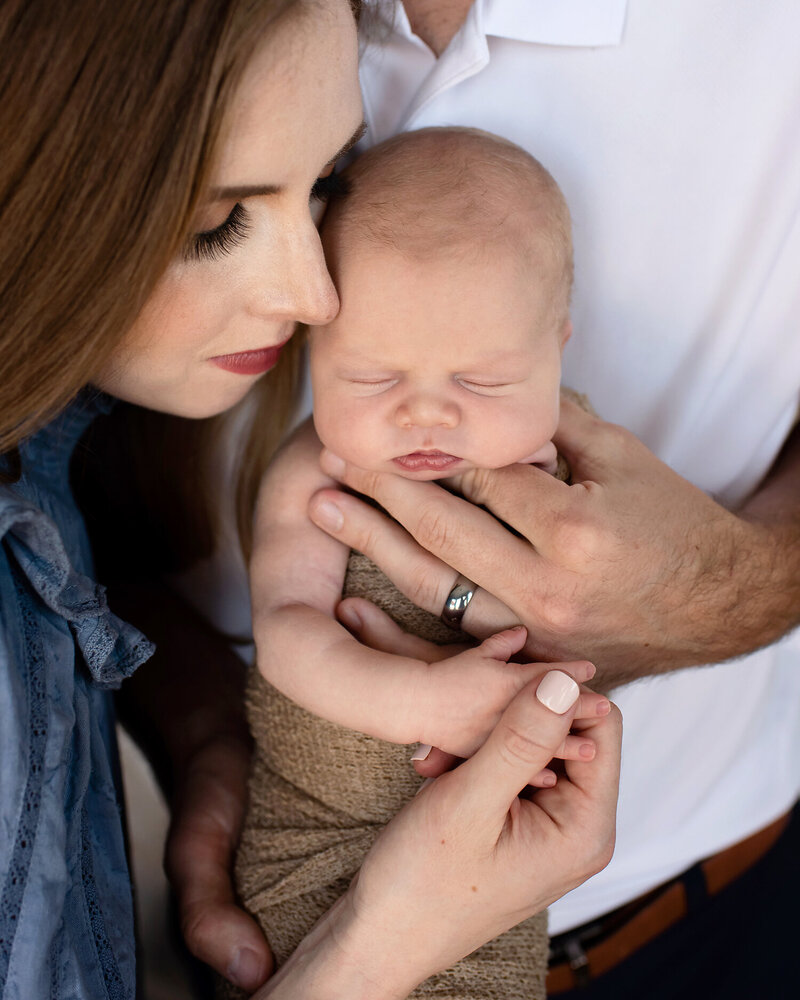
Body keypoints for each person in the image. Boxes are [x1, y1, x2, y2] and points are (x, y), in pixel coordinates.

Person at [0, 1, 621, 998]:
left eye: (327, 181)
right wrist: (384, 937)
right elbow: (289, 634)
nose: (319, 297)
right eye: (217, 222)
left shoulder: (49, 470)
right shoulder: (317, 467)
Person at [296, 0, 800, 995]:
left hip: (696, 901)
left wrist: (746, 582)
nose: (425, 414)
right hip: (301, 912)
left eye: (481, 384)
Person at [240, 126, 609, 999]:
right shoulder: (315, 468)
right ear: (312, 354)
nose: (426, 418)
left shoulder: (583, 477)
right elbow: (287, 634)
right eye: (372, 378)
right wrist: (424, 700)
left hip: (499, 867)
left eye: (481, 383)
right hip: (317, 835)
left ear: (556, 347)